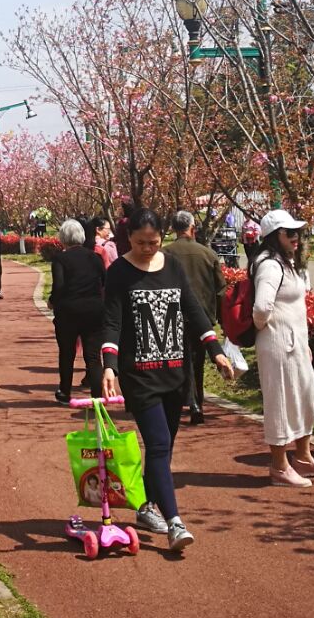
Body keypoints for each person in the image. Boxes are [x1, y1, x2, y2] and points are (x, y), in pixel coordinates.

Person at [99, 207, 238, 551]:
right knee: (159, 444)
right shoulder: (119, 272)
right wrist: (109, 366)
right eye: (140, 243)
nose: (148, 249)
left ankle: (146, 506)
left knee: (165, 447)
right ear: (128, 239)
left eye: (154, 242)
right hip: (139, 376)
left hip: (176, 373)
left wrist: (216, 350)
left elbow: (193, 309)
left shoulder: (172, 266)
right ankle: (175, 522)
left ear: (162, 237)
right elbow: (112, 321)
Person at [251, 209, 314, 485]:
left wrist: (302, 342)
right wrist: (268, 329)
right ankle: (279, 466)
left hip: (295, 344)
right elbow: (262, 307)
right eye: (290, 233)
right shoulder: (270, 265)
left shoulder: (288, 262)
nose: (296, 237)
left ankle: (303, 457)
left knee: (308, 398)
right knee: (281, 404)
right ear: (274, 236)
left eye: (298, 232)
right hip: (278, 344)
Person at [167, 210, 223, 426]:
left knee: (178, 360)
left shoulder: (165, 254)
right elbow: (220, 289)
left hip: (173, 316)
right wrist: (219, 317)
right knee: (197, 361)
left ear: (174, 229)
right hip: (202, 317)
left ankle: (187, 400)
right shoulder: (208, 254)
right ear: (192, 228)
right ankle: (196, 402)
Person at [50, 220, 105, 404]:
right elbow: (104, 281)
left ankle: (65, 392)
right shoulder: (95, 257)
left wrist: (52, 301)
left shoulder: (60, 259)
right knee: (93, 356)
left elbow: (59, 286)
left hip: (68, 311)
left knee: (67, 353)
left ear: (63, 238)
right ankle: (97, 396)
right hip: (94, 310)